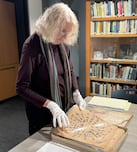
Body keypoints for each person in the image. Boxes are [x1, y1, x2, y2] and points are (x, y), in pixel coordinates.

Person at [16, 2, 86, 135]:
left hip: (63, 107)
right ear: (51, 25)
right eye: (63, 31)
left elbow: (70, 69)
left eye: (68, 32)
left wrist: (76, 92)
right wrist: (51, 105)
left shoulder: (62, 43)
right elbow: (21, 87)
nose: (66, 37)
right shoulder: (32, 45)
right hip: (40, 112)